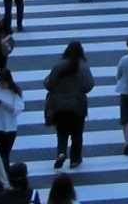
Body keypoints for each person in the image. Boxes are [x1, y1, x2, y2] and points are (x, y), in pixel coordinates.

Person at [42, 41, 94, 169]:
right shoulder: (84, 67)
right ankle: (75, 159)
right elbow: (89, 85)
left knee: (62, 132)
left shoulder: (58, 66)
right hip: (77, 104)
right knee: (77, 133)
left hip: (59, 104)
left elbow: (48, 84)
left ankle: (61, 153)